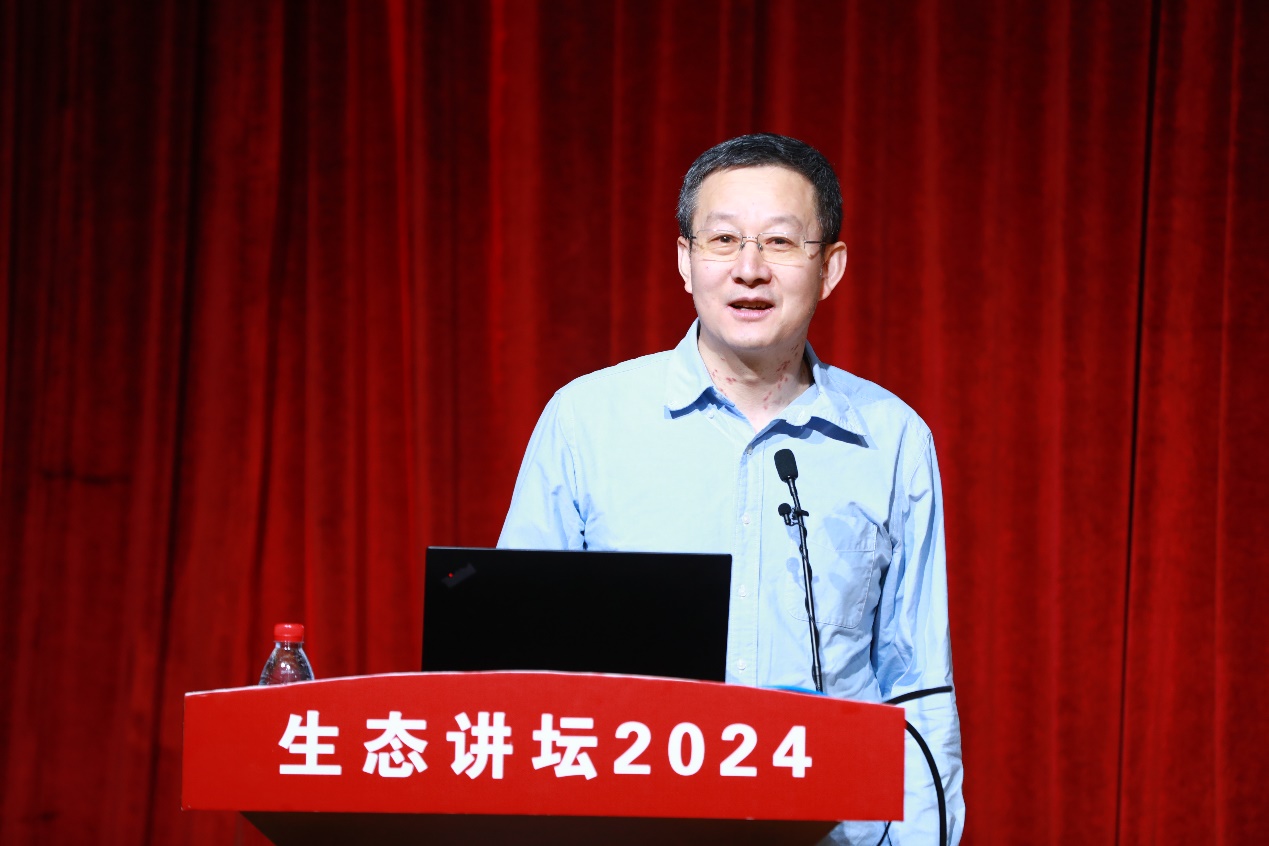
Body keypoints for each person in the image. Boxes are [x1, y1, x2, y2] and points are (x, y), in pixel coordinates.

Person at [498, 133, 963, 844]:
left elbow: (917, 679)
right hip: (634, 828)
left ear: (830, 267)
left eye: (780, 242)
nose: (749, 270)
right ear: (685, 261)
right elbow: (519, 667)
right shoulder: (586, 421)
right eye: (722, 241)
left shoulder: (891, 438)